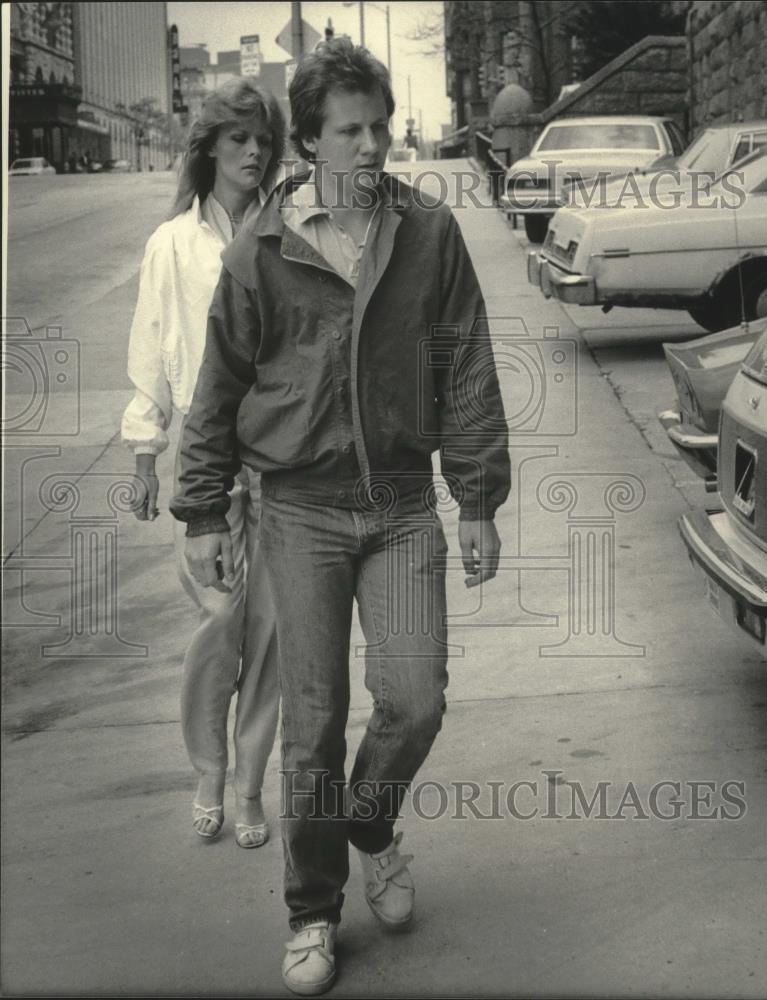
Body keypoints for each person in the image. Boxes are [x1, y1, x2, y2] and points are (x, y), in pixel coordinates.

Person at [170, 39, 510, 994]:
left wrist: (477, 496)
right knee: (311, 725)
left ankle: (370, 825)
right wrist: (202, 507)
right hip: (300, 513)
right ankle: (313, 911)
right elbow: (218, 385)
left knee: (415, 700)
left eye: (381, 128)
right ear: (311, 142)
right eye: (350, 132)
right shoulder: (261, 250)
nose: (372, 148)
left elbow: (466, 364)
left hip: (402, 504)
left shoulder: (428, 232)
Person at [121, 79, 285, 849]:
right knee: (220, 617)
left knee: (274, 624)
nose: (253, 152)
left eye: (263, 140)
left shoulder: (291, 230)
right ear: (209, 149)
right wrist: (143, 451)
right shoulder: (172, 244)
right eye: (238, 139)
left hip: (282, 447)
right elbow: (152, 346)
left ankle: (250, 784)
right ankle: (208, 767)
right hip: (205, 450)